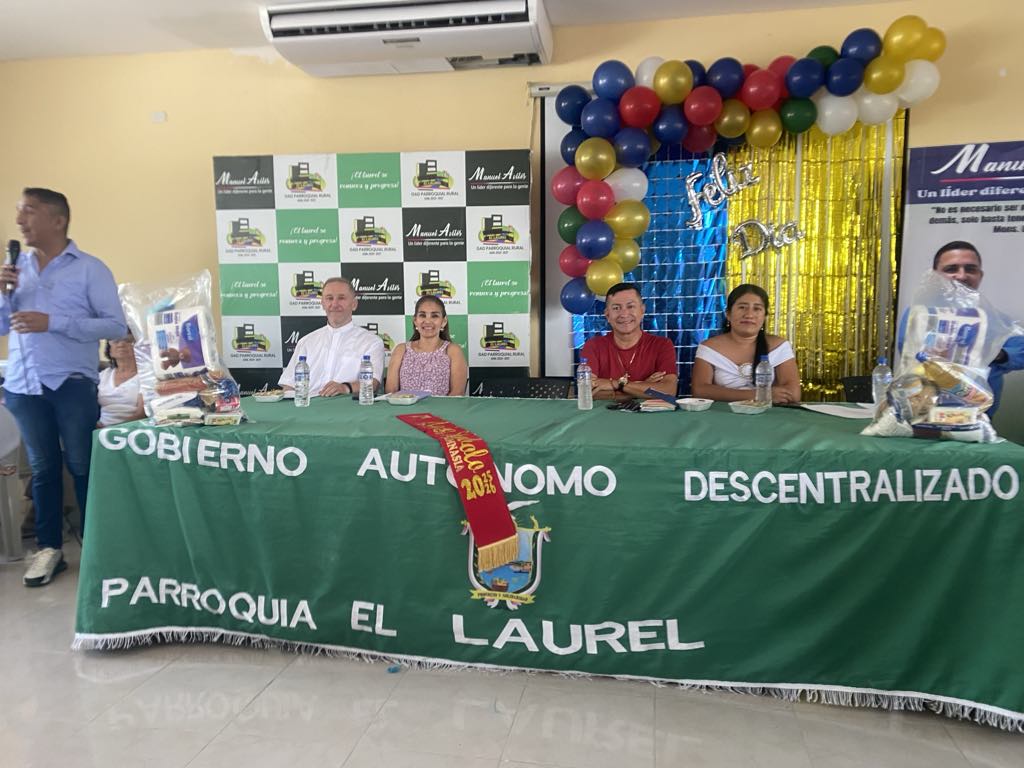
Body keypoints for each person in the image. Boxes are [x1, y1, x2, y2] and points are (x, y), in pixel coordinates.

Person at [1, 187, 127, 586]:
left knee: (83, 465)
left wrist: (52, 322)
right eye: (19, 211)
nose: (19, 220)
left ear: (58, 220)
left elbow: (115, 325)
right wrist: (2, 295)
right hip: (23, 386)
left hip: (72, 383)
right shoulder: (15, 269)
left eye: (28, 211)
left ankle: (96, 546)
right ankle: (49, 549)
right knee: (42, 469)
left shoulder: (90, 269)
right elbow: (2, 326)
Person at [932, 240, 1024, 416]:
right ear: (935, 275)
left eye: (970, 269)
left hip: (976, 420)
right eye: (951, 269)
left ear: (980, 275)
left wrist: (998, 354)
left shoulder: (995, 321)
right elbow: (912, 358)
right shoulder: (919, 315)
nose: (962, 276)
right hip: (925, 415)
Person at [691, 283, 801, 404]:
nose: (749, 315)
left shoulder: (779, 346)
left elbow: (793, 394)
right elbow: (700, 391)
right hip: (723, 413)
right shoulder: (709, 347)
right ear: (728, 314)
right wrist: (760, 395)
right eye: (742, 307)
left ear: (764, 316)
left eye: (757, 309)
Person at [278, 276, 385, 397]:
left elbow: (373, 383)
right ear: (323, 304)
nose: (335, 304)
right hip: (308, 406)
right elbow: (288, 385)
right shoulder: (306, 342)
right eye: (329, 298)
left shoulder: (371, 342)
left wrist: (345, 387)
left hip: (346, 406)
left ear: (354, 304)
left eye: (341, 298)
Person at [580, 282, 678, 401]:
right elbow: (588, 392)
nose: (624, 314)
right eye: (616, 308)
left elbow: (668, 391)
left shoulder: (662, 345)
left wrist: (616, 384)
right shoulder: (593, 346)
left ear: (642, 310)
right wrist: (642, 387)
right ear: (607, 315)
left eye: (630, 306)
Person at [385, 295, 467, 396]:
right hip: (404, 407)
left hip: (443, 407)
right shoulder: (401, 350)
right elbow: (391, 391)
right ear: (415, 320)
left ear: (444, 321)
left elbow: (457, 393)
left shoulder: (453, 350)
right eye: (422, 315)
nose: (427, 321)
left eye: (434, 316)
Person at [98, 332, 145, 426]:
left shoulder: (145, 375)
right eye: (116, 341)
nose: (121, 344)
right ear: (109, 349)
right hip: (100, 428)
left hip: (134, 428)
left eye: (128, 341)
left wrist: (110, 430)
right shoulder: (102, 376)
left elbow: (141, 414)